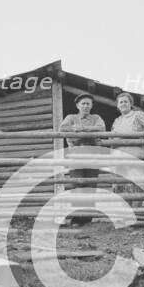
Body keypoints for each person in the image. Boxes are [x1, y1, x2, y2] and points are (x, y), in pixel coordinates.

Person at [59, 93, 106, 225]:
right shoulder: (71, 117)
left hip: (92, 156)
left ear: (91, 106)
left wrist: (82, 129)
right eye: (83, 103)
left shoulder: (96, 118)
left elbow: (101, 128)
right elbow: (63, 128)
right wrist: (84, 133)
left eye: (88, 104)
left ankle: (87, 218)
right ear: (77, 105)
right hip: (76, 156)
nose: (85, 106)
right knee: (78, 184)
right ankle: (77, 217)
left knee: (90, 185)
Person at [111, 92, 144, 208]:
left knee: (136, 186)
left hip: (136, 156)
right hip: (119, 159)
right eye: (121, 102)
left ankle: (136, 214)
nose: (123, 104)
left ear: (131, 103)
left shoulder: (138, 115)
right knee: (121, 187)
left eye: (126, 101)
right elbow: (112, 139)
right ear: (117, 106)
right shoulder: (117, 121)